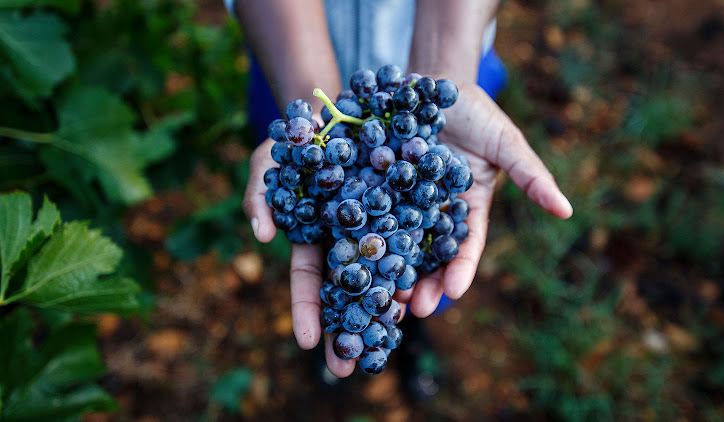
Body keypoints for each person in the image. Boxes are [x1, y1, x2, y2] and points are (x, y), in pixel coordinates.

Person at [234, 0, 574, 379]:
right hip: (287, 56)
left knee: (429, 273)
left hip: (444, 52)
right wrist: (308, 97)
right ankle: (392, 327)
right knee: (362, 256)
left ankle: (413, 328)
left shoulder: (410, 149)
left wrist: (446, 69)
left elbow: (437, 109)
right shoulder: (327, 150)